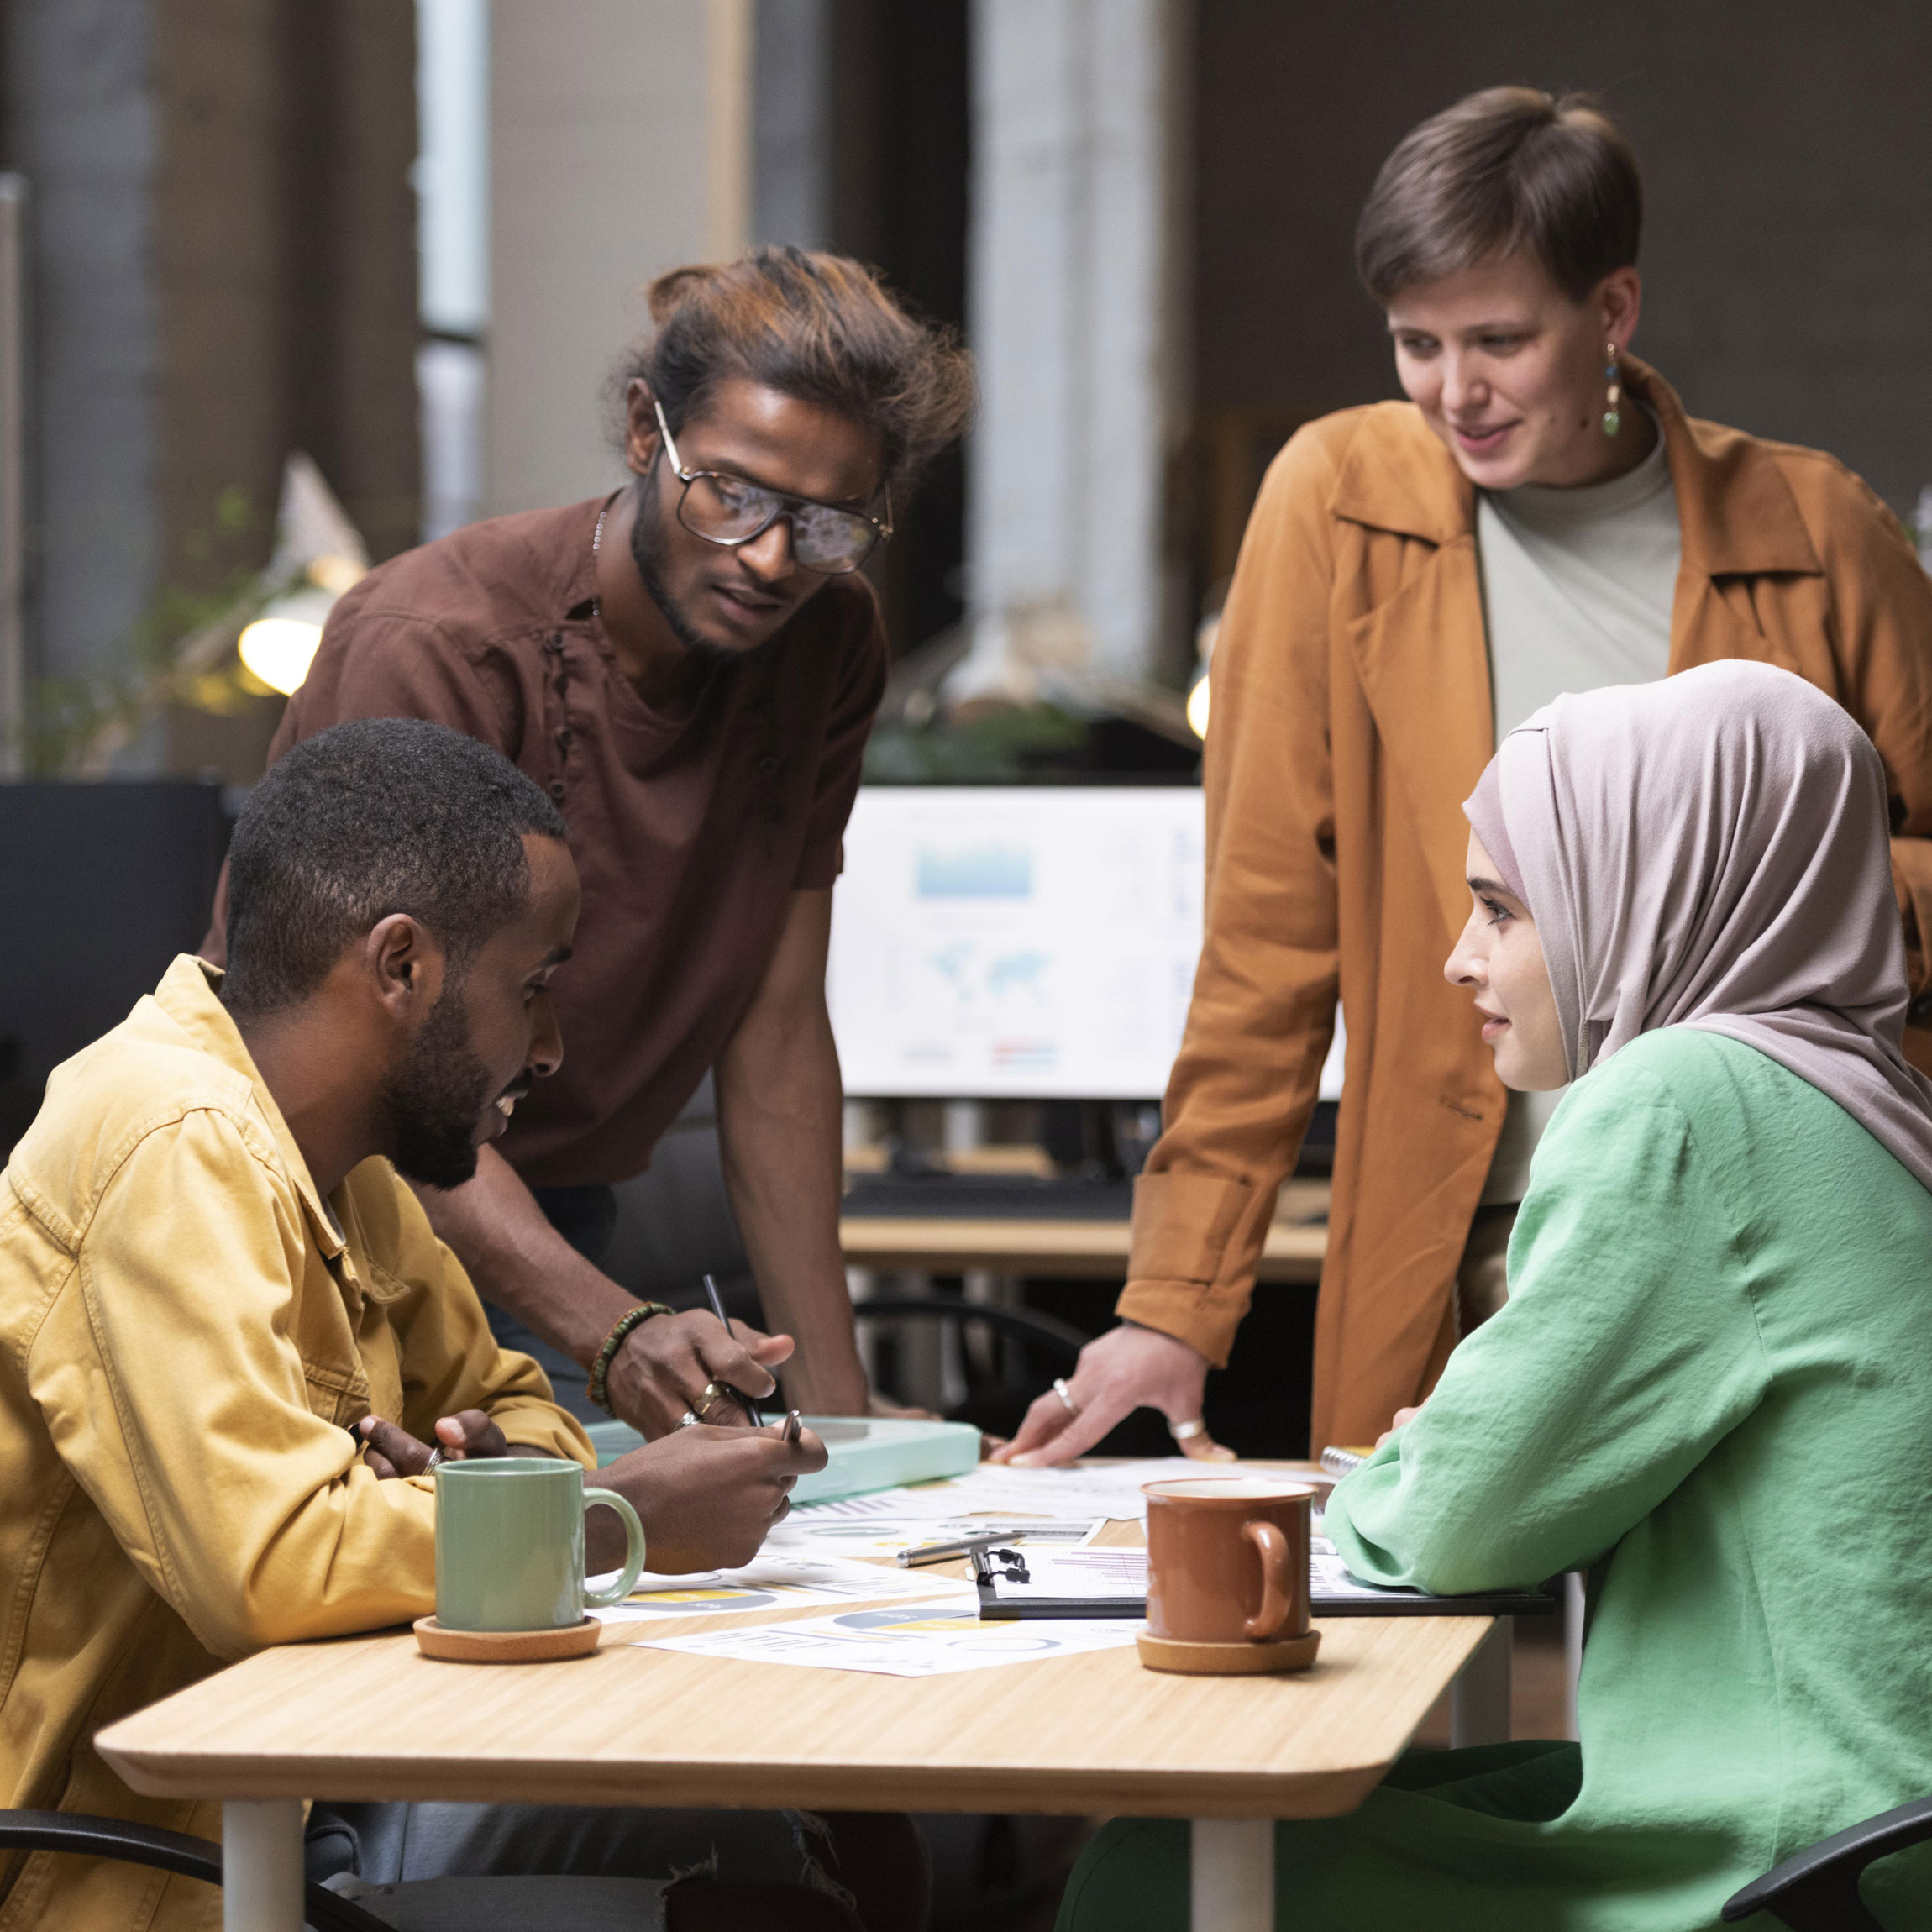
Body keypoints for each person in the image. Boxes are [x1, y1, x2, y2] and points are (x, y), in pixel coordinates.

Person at [997, 85, 1932, 1466]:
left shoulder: (1817, 529)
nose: (1453, 392)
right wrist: (1175, 1303)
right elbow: (1266, 937)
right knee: (1419, 1646)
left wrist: (1770, 909)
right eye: (1415, 344)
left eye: (1500, 340)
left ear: (1611, 312)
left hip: (1762, 1234)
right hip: (1461, 1242)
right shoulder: (1333, 502)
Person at [0, 719, 929, 1932]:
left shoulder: (350, 1168)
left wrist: (470, 1502)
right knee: (766, 1908)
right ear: (402, 967)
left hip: (317, 1780)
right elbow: (273, 1570)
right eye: (533, 987)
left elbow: (530, 1411)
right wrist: (611, 1518)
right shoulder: (168, 1142)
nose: (548, 1047)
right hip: (130, 1868)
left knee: (796, 1837)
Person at [1059, 660, 1932, 1930]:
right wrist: (1477, 1458)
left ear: (1651, 889)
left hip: (1789, 1849)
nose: (1461, 961)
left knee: (1153, 1871)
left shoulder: (1682, 1100)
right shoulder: (1872, 1099)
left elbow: (1463, 1522)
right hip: (1885, 1815)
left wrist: (1419, 1473)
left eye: (1504, 910)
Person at [204, 246, 975, 1436]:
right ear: (640, 432)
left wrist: (839, 1421)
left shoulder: (829, 640)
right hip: (338, 1218)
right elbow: (372, 1066)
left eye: (829, 523)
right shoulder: (439, 644)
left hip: (560, 1208)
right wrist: (611, 1329)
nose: (772, 558)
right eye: (734, 491)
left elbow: (775, 1030)